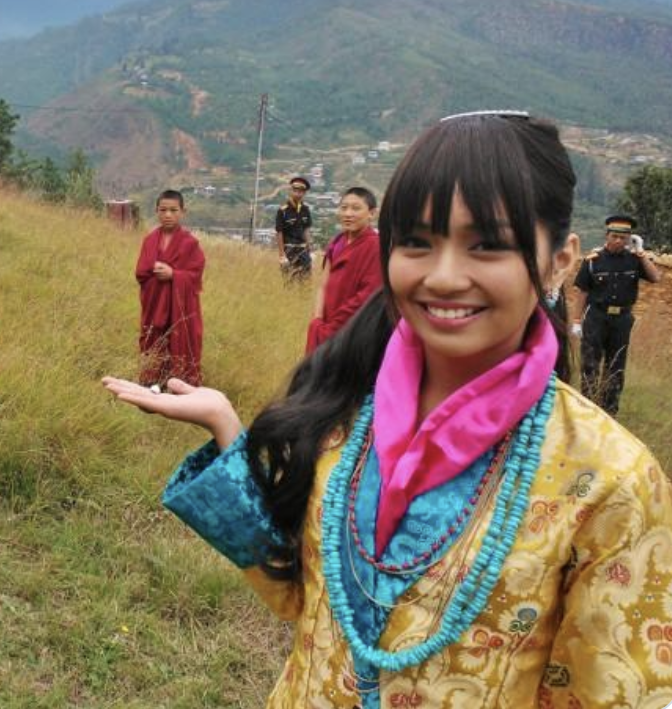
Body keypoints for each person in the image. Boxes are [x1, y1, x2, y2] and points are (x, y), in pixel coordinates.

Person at [104, 112, 672, 708]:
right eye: (418, 243)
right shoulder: (343, 407)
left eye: (487, 245)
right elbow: (308, 600)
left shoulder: (612, 481)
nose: (444, 277)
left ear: (560, 260)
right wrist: (226, 430)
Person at [572, 214, 661, 416]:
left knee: (616, 365)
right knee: (591, 363)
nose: (619, 241)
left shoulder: (634, 260)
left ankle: (609, 412)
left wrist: (641, 252)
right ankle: (587, 409)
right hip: (596, 316)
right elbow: (582, 292)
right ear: (607, 236)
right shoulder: (594, 260)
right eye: (614, 237)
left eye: (623, 238)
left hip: (622, 319)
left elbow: (655, 277)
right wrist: (577, 320)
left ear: (629, 238)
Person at [136, 189, 205, 387]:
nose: (168, 215)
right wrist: (154, 270)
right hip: (155, 305)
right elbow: (141, 273)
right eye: (163, 210)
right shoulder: (149, 241)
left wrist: (174, 275)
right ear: (156, 211)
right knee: (154, 342)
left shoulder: (189, 243)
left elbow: (195, 275)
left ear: (183, 212)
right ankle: (152, 382)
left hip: (180, 309)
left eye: (174, 210)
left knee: (180, 343)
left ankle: (180, 386)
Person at [305, 186, 381, 352]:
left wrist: (334, 328)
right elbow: (323, 285)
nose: (348, 214)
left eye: (356, 208)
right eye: (344, 207)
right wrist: (317, 321)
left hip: (354, 331)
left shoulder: (375, 247)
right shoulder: (337, 242)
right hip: (325, 324)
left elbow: (367, 296)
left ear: (372, 213)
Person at [275, 176, 312, 282]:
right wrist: (282, 255)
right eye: (295, 191)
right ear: (291, 191)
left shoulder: (306, 209)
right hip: (289, 250)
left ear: (304, 193)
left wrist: (309, 250)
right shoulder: (283, 211)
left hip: (303, 250)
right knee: (289, 282)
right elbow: (279, 233)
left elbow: (306, 230)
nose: (298, 194)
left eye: (301, 191)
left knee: (305, 282)